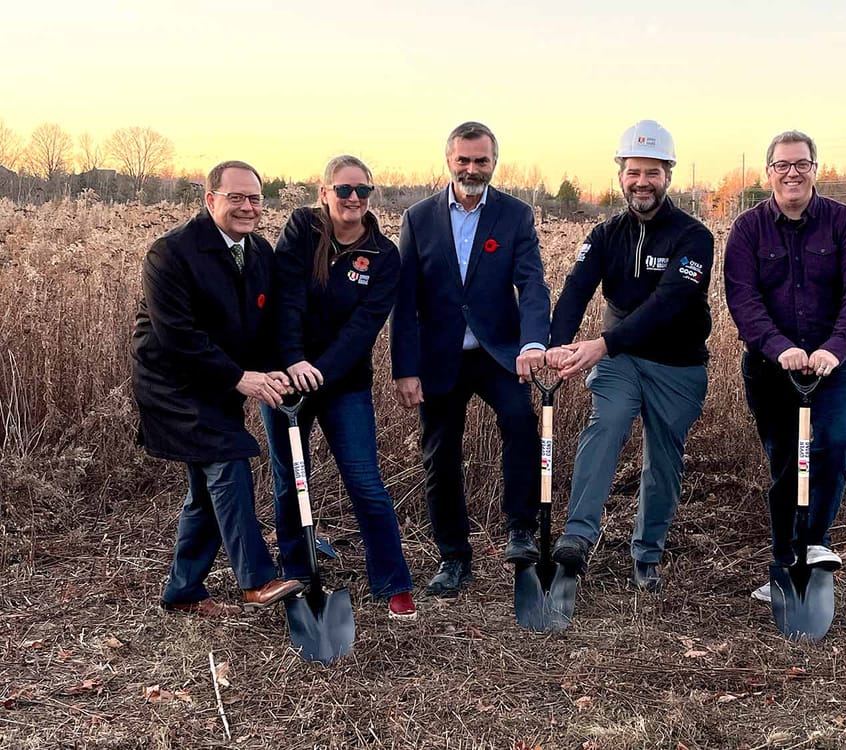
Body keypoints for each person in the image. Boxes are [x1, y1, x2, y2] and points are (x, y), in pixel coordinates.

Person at [545, 120, 714, 592]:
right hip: (620, 361)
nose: (642, 182)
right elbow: (576, 290)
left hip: (677, 365)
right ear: (620, 174)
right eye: (633, 172)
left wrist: (601, 344)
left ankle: (647, 553)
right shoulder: (605, 235)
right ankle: (577, 539)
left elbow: (668, 303)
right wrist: (554, 344)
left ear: (668, 176)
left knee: (663, 459)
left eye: (652, 172)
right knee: (607, 424)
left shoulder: (694, 237)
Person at [132, 160, 304, 617]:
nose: (248, 207)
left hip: (220, 384)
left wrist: (274, 370)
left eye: (255, 199)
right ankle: (257, 580)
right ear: (210, 200)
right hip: (172, 385)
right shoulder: (171, 253)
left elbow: (261, 326)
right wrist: (240, 378)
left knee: (207, 491)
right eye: (236, 197)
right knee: (228, 461)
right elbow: (178, 336)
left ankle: (183, 590)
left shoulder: (260, 252)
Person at [390, 121, 551, 597]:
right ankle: (454, 557)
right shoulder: (418, 218)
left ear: (494, 163)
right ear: (449, 161)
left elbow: (533, 283)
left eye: (481, 160)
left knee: (521, 422)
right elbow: (405, 299)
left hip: (498, 352)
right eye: (464, 159)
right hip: (440, 356)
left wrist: (533, 343)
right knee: (440, 454)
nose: (472, 168)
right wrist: (405, 368)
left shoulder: (515, 215)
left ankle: (520, 530)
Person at [260, 155, 416, 619]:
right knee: (292, 479)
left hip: (344, 382)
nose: (353, 198)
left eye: (362, 191)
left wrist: (320, 371)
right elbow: (287, 298)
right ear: (325, 192)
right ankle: (298, 572)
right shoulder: (302, 229)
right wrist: (293, 360)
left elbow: (363, 328)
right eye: (344, 190)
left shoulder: (384, 255)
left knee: (365, 481)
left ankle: (393, 581)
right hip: (286, 377)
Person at [723, 130, 846, 603]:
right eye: (783, 165)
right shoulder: (748, 229)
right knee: (789, 463)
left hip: (835, 364)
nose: (792, 173)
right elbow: (743, 299)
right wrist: (777, 347)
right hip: (772, 368)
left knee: (834, 444)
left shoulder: (843, 223)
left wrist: (835, 347)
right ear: (769, 172)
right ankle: (784, 566)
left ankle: (814, 544)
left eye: (801, 164)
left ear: (815, 168)